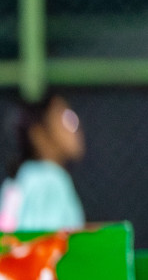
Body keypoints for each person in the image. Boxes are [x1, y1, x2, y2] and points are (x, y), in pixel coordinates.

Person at [0, 91, 87, 233]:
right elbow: (41, 245)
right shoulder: (50, 180)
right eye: (67, 118)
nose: (76, 126)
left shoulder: (25, 177)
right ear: (38, 134)